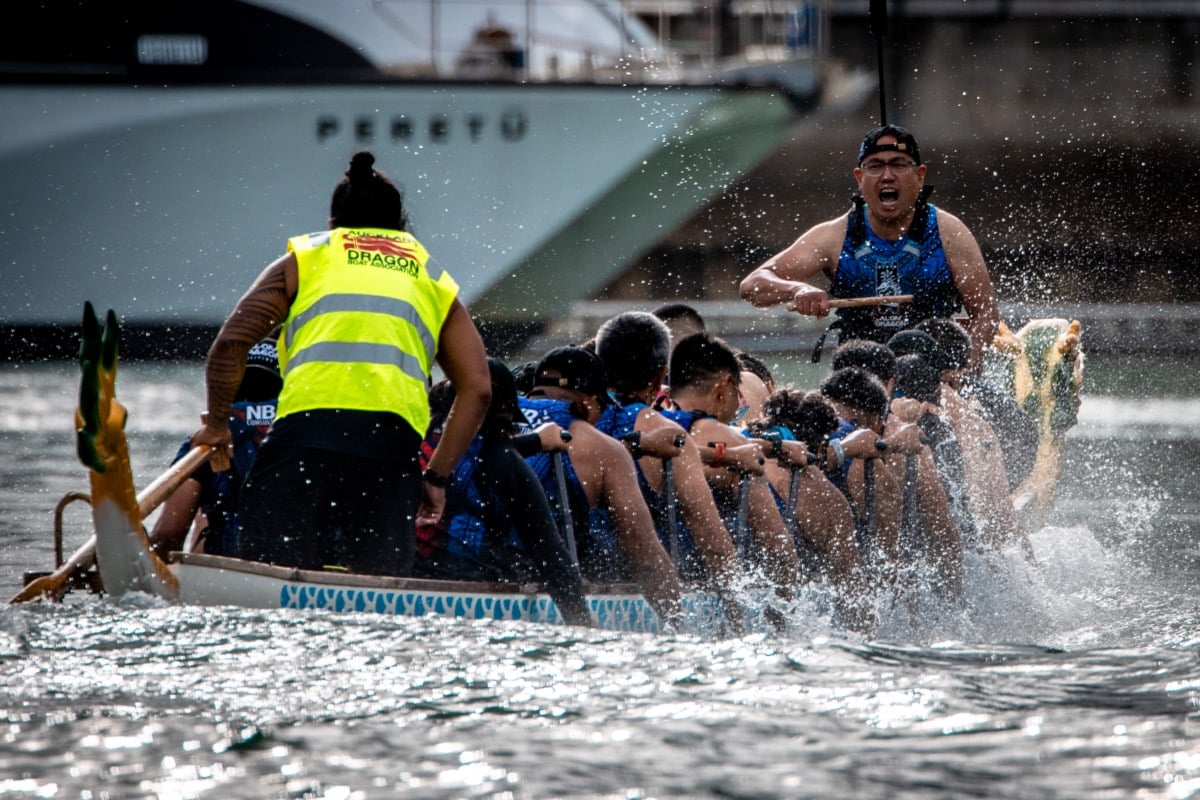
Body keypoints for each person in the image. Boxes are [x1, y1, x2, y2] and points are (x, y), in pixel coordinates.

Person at [190, 150, 491, 577]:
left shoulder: (305, 259)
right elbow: (477, 388)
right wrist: (436, 477)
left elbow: (230, 344)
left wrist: (219, 424)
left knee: (269, 576)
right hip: (389, 450)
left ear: (335, 222)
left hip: (303, 439)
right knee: (376, 587)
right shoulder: (431, 278)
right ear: (400, 224)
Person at [738, 124, 1000, 373]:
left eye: (898, 165)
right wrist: (797, 289)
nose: (887, 176)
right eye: (875, 166)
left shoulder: (949, 233)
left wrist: (963, 369)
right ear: (859, 178)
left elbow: (986, 314)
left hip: (933, 372)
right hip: (860, 379)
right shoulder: (833, 237)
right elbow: (752, 286)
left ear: (920, 176)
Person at [415, 358, 593, 627]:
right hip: (470, 589)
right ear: (507, 415)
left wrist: (534, 442)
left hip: (409, 573)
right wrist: (584, 626)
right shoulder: (504, 461)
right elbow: (552, 557)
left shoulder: (413, 442)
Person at [517, 346, 686, 628]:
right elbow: (643, 551)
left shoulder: (491, 412)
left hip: (450, 569)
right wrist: (678, 623)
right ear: (589, 404)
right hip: (545, 590)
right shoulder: (602, 449)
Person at [149, 334, 282, 560]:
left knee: (206, 515)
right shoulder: (309, 428)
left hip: (225, 570)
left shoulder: (209, 437)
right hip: (302, 566)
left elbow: (168, 533)